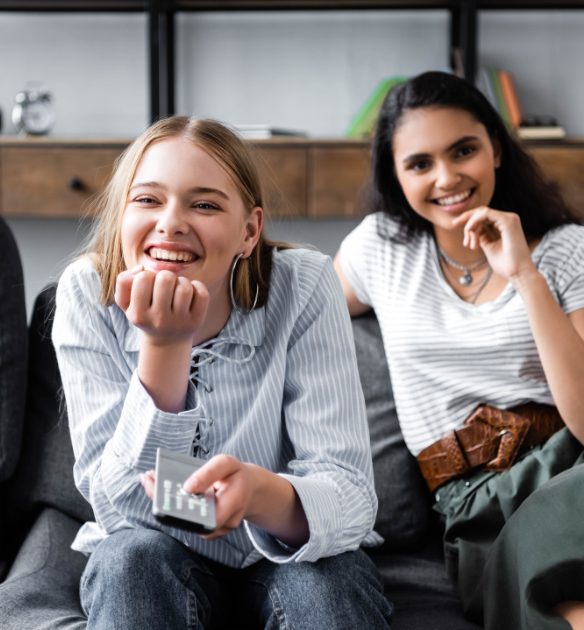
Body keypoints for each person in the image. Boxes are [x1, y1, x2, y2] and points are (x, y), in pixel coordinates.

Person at [53, 116, 393, 630]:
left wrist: (257, 495)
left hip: (285, 547)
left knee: (326, 584)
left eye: (205, 204)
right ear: (121, 215)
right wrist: (165, 345)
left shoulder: (305, 285)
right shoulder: (84, 293)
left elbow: (347, 494)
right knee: (129, 563)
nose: (171, 222)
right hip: (157, 550)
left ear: (249, 231)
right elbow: (119, 506)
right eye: (147, 200)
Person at [333, 71, 584, 630]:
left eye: (464, 150)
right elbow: (283, 311)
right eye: (419, 163)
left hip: (573, 467)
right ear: (395, 176)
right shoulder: (379, 250)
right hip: (475, 505)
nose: (447, 178)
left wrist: (524, 274)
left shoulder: (567, 251)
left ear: (495, 148)